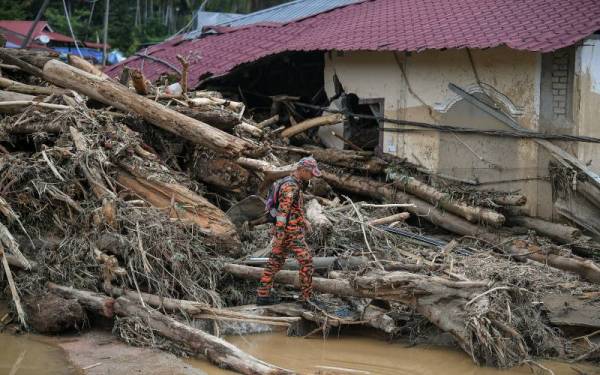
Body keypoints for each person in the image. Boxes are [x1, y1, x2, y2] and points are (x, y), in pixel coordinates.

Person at [256, 157, 321, 307]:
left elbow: (292, 207)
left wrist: (303, 220)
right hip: (290, 232)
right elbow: (283, 211)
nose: (312, 177)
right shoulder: (291, 186)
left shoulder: (288, 182)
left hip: (286, 230)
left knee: (274, 262)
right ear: (303, 171)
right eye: (311, 174)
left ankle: (263, 295)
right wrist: (279, 233)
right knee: (306, 261)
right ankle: (306, 297)